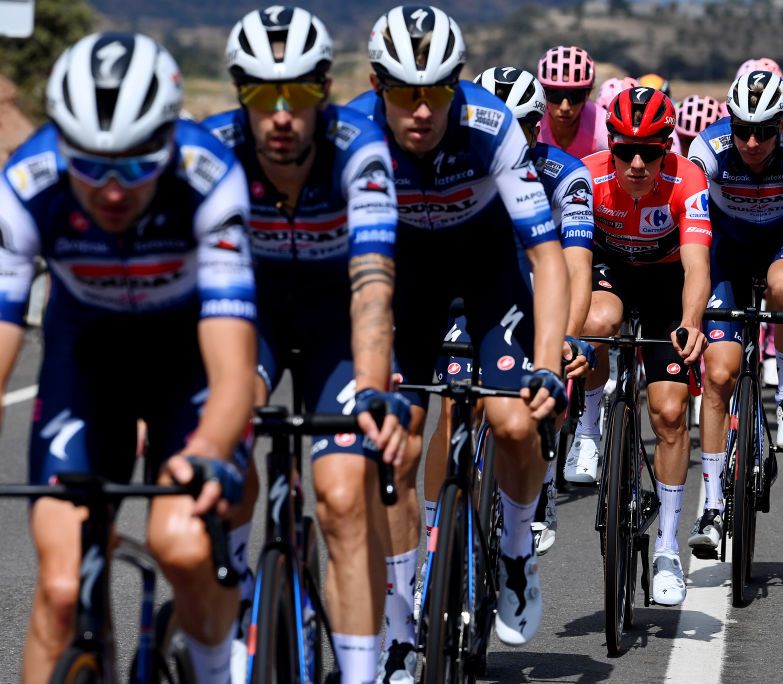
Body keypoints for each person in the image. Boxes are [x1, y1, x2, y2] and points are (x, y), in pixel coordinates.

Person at [0, 32, 256, 683]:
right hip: (84, 367)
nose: (112, 191)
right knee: (61, 591)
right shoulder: (27, 183)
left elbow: (233, 371)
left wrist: (208, 452)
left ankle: (215, 667)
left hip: (186, 368)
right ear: (62, 147)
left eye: (137, 167)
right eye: (90, 166)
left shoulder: (209, 178)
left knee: (181, 542)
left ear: (168, 145)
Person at [348, 5, 570, 670]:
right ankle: (396, 626)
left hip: (485, 277)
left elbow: (547, 258)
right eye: (405, 93)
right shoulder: (354, 131)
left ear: (459, 82)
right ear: (376, 83)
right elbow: (347, 262)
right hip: (402, 281)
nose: (422, 110)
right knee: (396, 442)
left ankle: (514, 557)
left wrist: (548, 366)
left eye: (438, 90)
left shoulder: (491, 127)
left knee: (510, 422)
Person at [204, 7, 408, 682]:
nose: (282, 111)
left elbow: (374, 288)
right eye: (263, 93)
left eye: (300, 92)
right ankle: (234, 624)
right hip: (249, 322)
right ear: (241, 94)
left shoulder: (360, 151)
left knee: (345, 497)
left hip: (336, 329)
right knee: (224, 463)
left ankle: (360, 673)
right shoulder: (212, 152)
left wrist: (375, 390)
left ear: (325, 89)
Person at [574, 86, 711, 606]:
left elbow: (698, 264)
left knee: (671, 414)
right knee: (600, 319)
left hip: (664, 285)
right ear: (610, 143)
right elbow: (576, 261)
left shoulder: (687, 179)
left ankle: (668, 551)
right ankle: (587, 430)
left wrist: (692, 320)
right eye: (625, 149)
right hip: (608, 274)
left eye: (649, 152)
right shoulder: (587, 176)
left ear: (666, 148)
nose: (636, 163)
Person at [685, 70, 783, 555]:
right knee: (720, 374)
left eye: (764, 130)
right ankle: (710, 505)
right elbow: (695, 238)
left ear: (782, 124)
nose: (751, 141)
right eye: (743, 128)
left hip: (782, 242)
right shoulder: (706, 150)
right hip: (727, 249)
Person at [473, 66, 597, 554]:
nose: (504, 137)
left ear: (537, 125)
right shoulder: (454, 172)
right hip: (476, 297)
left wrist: (568, 336)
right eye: (490, 126)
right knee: (454, 406)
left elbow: (577, 268)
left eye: (519, 125)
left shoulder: (566, 175)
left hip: (537, 296)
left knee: (546, 391)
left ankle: (538, 488)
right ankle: (440, 539)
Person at [536, 45, 608, 158]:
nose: (565, 107)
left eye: (575, 95)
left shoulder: (601, 125)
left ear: (587, 94)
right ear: (543, 92)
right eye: (555, 94)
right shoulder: (533, 120)